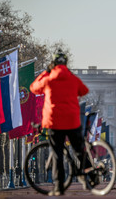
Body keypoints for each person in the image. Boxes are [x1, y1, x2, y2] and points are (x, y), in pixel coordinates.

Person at [30, 49, 89, 196]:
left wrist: (45, 72)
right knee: (79, 149)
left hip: (54, 122)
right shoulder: (73, 79)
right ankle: (89, 175)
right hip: (72, 121)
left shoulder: (48, 79)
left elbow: (33, 88)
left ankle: (59, 186)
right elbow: (84, 90)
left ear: (53, 64)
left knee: (57, 154)